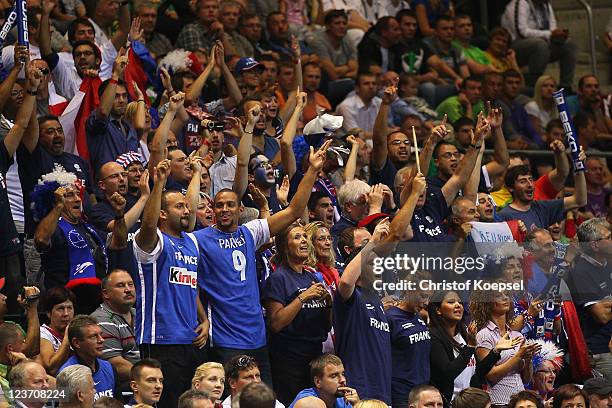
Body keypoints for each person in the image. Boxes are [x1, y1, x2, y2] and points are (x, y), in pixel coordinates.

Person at [193, 140, 331, 384]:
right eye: (219, 205)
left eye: (230, 205)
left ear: (240, 209)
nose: (224, 209)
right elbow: (189, 282)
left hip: (258, 337)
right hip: (225, 338)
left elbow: (293, 210)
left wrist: (311, 171)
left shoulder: (249, 232)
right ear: (213, 210)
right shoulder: (198, 240)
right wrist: (202, 318)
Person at [132, 156, 207, 408]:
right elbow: (149, 223)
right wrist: (159, 185)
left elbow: (190, 284)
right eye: (179, 207)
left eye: (187, 206)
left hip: (189, 339)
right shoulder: (153, 242)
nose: (187, 211)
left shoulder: (192, 242)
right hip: (161, 340)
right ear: (163, 213)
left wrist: (204, 319)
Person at [33, 166, 127, 314]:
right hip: (65, 306)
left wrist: (119, 215)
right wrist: (58, 206)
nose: (77, 199)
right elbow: (41, 240)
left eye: (78, 194)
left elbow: (119, 242)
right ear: (55, 201)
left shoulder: (89, 228)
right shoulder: (54, 227)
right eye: (69, 195)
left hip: (95, 301)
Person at [262, 221, 332, 404]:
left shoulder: (312, 277)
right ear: (285, 246)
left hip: (315, 357)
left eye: (305, 237)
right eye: (297, 237)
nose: (304, 241)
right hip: (289, 361)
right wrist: (302, 298)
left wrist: (329, 304)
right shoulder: (278, 279)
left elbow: (327, 325)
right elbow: (276, 323)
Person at [427, 290, 521, 405]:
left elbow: (478, 373)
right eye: (451, 302)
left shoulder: (464, 335)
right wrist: (470, 346)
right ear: (438, 310)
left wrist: (496, 351)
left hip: (469, 402)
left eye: (460, 302)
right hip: (450, 402)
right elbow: (448, 372)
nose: (458, 305)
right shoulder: (433, 337)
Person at [470, 289, 540, 406]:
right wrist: (518, 356)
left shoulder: (517, 335)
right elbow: (490, 376)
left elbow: (526, 379)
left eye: (507, 295)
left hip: (520, 402)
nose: (505, 298)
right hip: (499, 402)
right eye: (498, 295)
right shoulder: (484, 334)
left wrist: (528, 361)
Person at [565, 218, 612, 379]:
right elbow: (601, 315)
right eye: (609, 237)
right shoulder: (579, 272)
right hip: (600, 351)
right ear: (595, 245)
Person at [85, 50, 140, 175]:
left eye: (124, 96)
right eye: (115, 96)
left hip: (130, 190)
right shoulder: (96, 123)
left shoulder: (129, 128)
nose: (121, 100)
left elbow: (141, 126)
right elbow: (104, 112)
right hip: (105, 190)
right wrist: (115, 75)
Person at [501, 0, 576, 89]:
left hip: (541, 44)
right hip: (515, 45)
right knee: (540, 45)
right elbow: (521, 32)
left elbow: (552, 28)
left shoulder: (546, 5)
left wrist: (559, 35)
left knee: (568, 44)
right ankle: (534, 84)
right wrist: (549, 34)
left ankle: (566, 86)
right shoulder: (521, 3)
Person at [498, 160, 587, 230]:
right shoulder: (504, 216)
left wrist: (579, 168)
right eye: (523, 181)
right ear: (511, 188)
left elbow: (580, 200)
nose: (529, 184)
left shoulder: (541, 208)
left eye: (530, 180)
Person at [387, 272, 432, 408]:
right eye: (423, 296)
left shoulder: (419, 316)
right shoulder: (390, 318)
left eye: (429, 297)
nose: (426, 302)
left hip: (422, 392)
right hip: (401, 395)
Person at [90, 269, 139, 383]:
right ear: (106, 294)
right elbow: (115, 364)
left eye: (130, 285)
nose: (128, 290)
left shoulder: (140, 314)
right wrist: (151, 377)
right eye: (120, 286)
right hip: (124, 387)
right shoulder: (100, 320)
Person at [58, 315, 116, 400]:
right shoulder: (67, 375)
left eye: (101, 334)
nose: (101, 340)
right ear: (76, 343)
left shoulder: (109, 367)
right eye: (93, 336)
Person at [289, 354, 360, 408]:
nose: (343, 380)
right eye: (334, 376)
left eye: (343, 374)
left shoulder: (344, 401)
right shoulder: (308, 402)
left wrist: (358, 405)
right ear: (318, 382)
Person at [307, 10, 358, 81]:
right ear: (328, 26)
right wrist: (347, 68)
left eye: (344, 23)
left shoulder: (346, 37)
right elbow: (332, 74)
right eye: (337, 23)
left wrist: (340, 72)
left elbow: (356, 72)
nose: (342, 26)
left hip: (347, 81)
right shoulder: (318, 42)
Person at [38, 287, 75, 375]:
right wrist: (67, 339)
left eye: (69, 308)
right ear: (48, 313)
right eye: (60, 309)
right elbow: (51, 368)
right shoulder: (42, 333)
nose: (66, 314)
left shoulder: (78, 330)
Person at [336, 73, 381, 138]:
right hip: (352, 145)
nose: (371, 87)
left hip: (375, 143)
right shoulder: (346, 106)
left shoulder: (379, 102)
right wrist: (384, 133)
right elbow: (356, 135)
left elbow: (385, 127)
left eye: (374, 83)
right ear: (357, 88)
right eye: (366, 83)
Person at [304, 222, 340, 292]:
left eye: (329, 238)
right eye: (321, 239)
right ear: (310, 243)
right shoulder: (305, 272)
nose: (328, 243)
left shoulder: (334, 272)